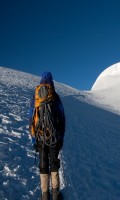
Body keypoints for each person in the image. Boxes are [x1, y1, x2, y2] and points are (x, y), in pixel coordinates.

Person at [29, 72, 65, 200]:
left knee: (43, 164)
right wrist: (60, 138)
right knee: (54, 164)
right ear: (52, 82)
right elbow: (62, 118)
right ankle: (55, 195)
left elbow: (31, 118)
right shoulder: (55, 97)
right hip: (54, 137)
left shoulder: (36, 97)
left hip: (40, 137)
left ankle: (44, 195)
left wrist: (34, 139)